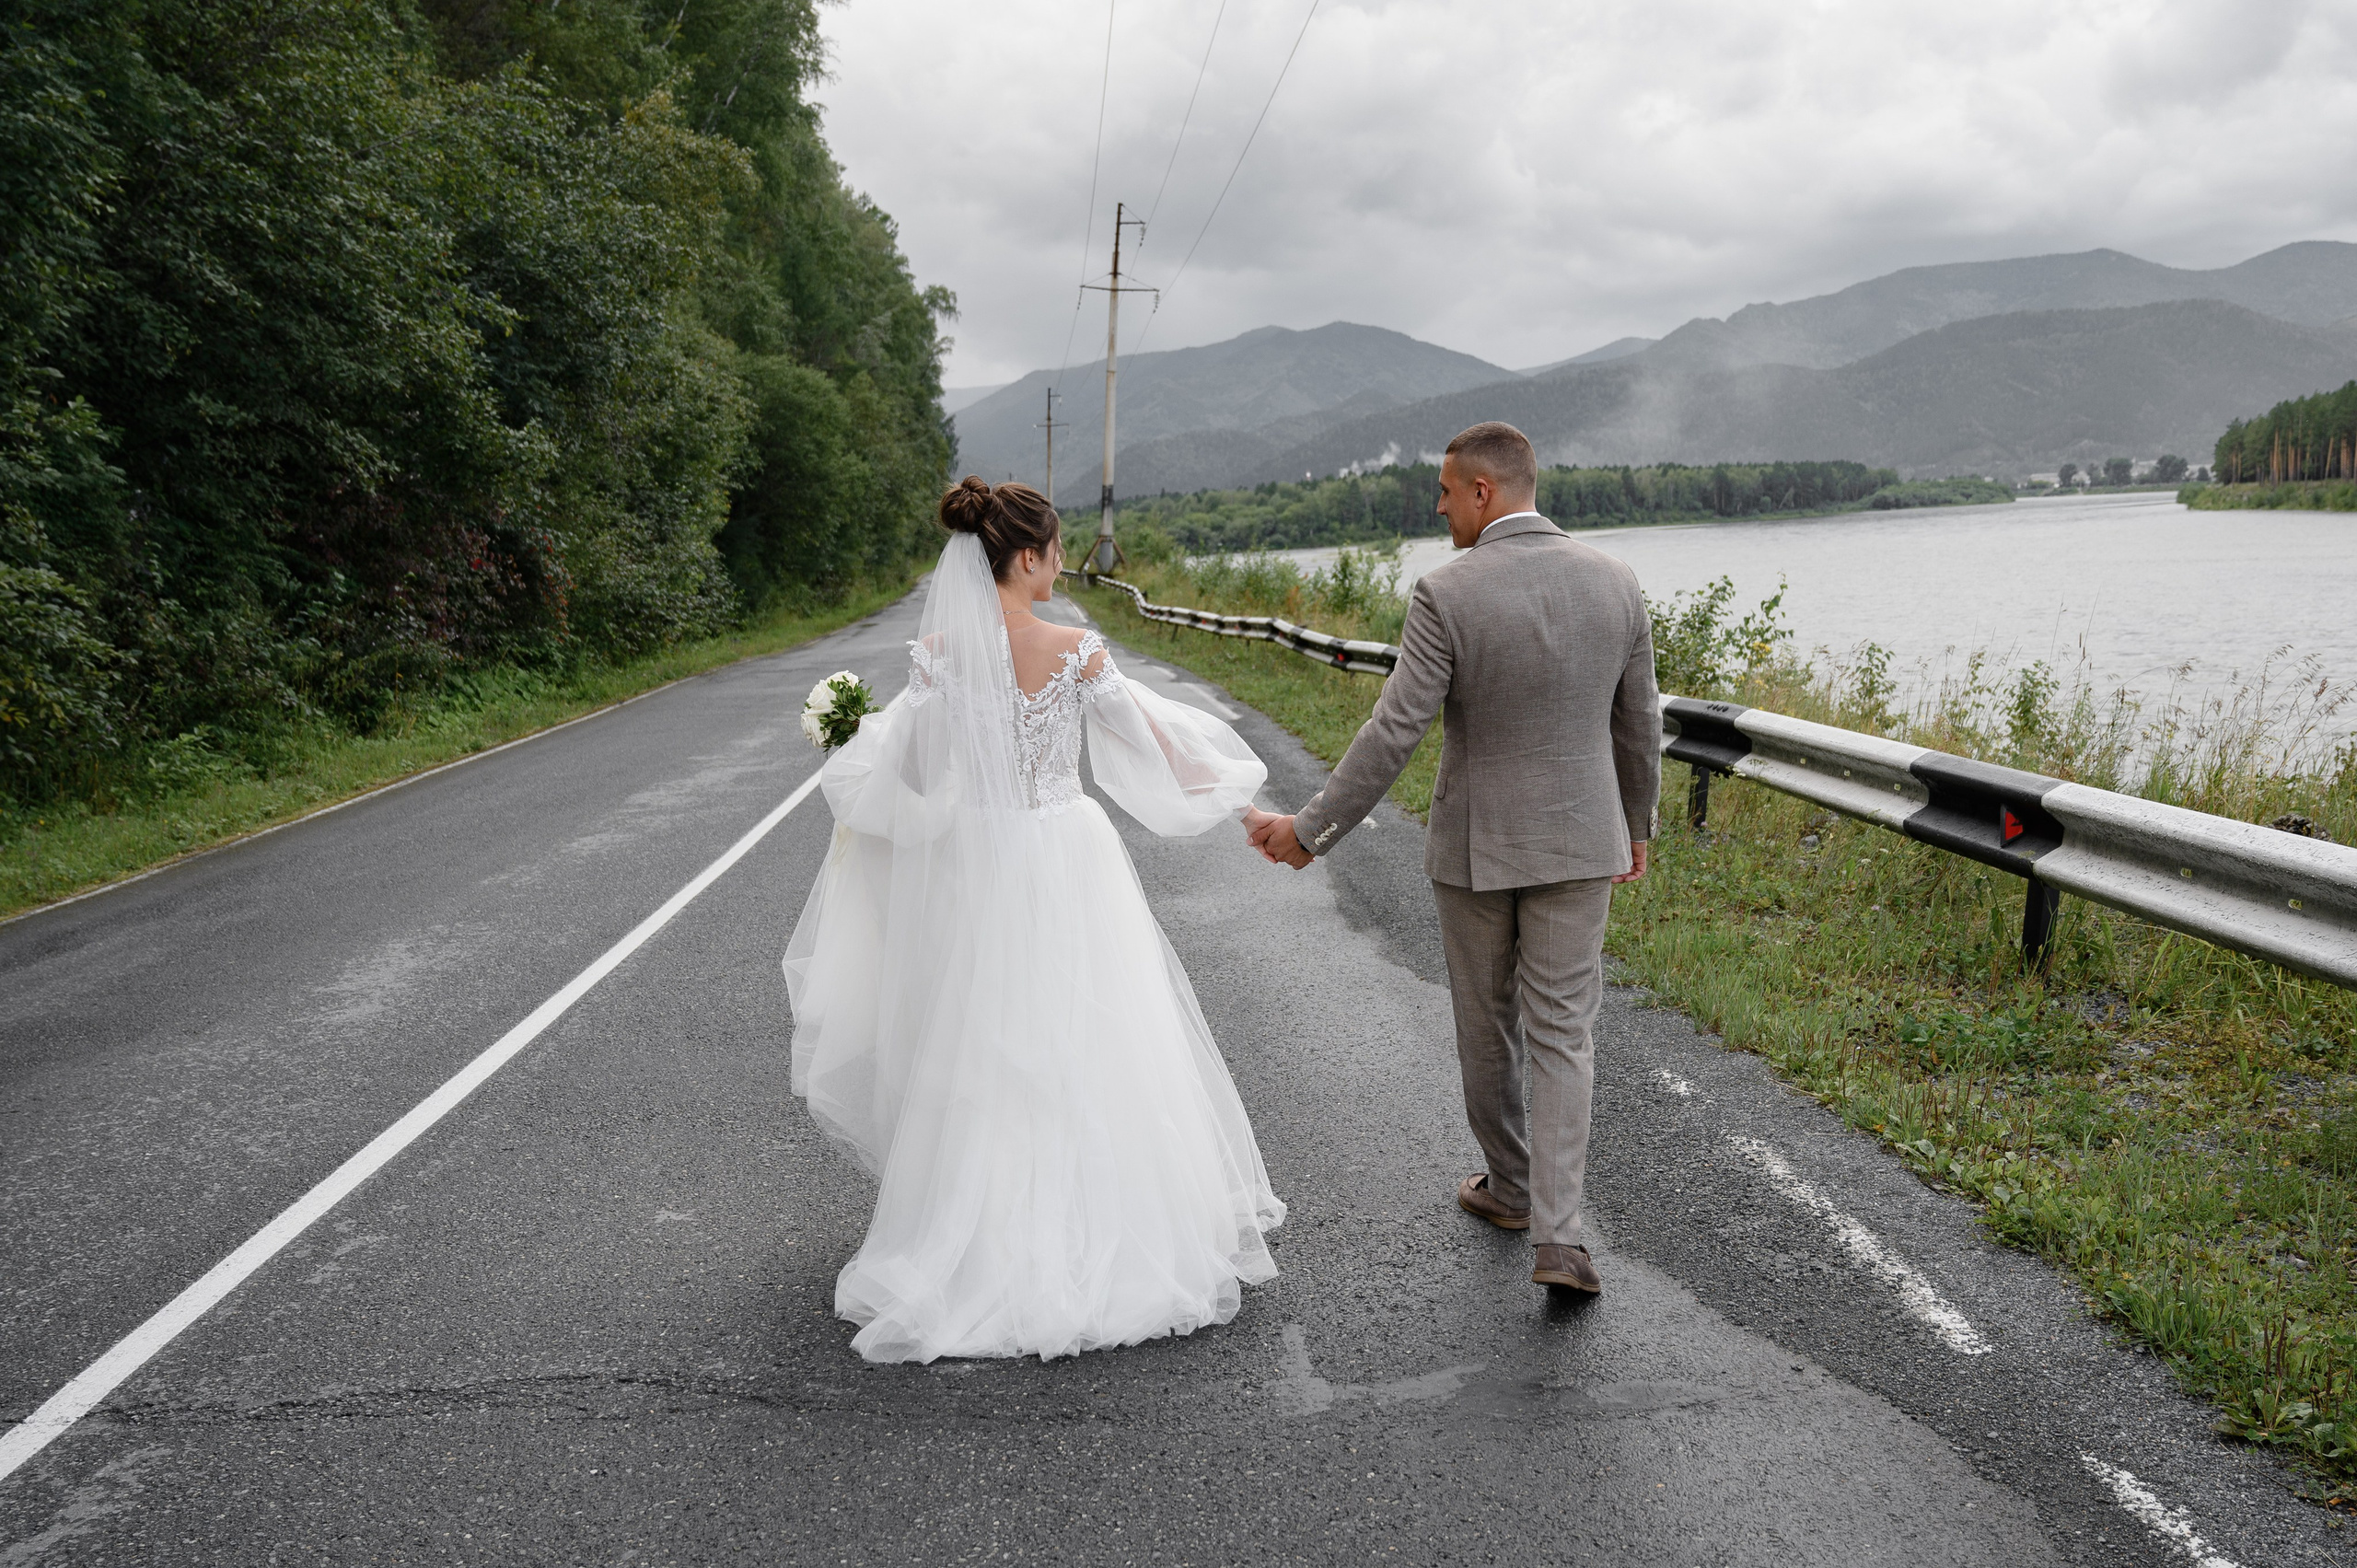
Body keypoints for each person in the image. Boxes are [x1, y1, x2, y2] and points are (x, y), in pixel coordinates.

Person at [784, 476, 1284, 1363]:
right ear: (1027, 556)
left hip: (977, 856)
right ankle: (1102, 1226)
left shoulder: (938, 657)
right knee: (1090, 1035)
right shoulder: (1074, 650)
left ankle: (978, 1239)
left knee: (982, 1041)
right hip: (1064, 852)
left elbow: (919, 770)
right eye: (1054, 552)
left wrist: (860, 746)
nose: (1060, 566)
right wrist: (1240, 804)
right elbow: (1154, 742)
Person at [1246, 422, 1658, 1297]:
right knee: (1564, 1033)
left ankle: (1509, 1188)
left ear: (1482, 491)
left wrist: (1312, 831)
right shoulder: (1617, 581)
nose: (1437, 508)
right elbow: (1640, 720)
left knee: (1487, 1023)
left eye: (1444, 491)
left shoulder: (1446, 592)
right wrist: (1638, 823)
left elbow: (1393, 730)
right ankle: (1561, 1237)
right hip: (1583, 840)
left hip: (1477, 849)